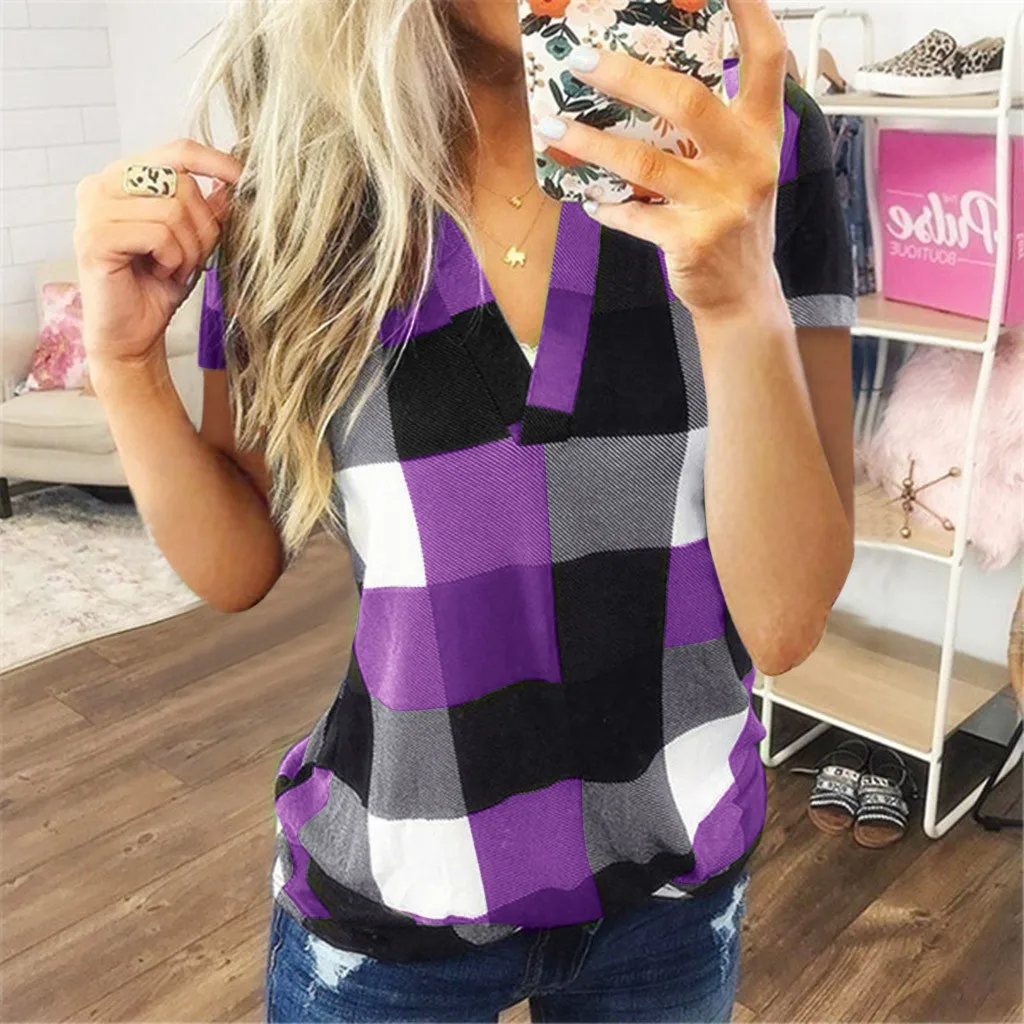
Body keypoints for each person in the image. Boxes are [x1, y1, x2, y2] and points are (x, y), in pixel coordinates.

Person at [73, 0, 856, 1020]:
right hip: (393, 893)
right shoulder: (305, 175)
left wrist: (738, 293)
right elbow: (238, 563)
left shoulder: (761, 134)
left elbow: (787, 619)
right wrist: (125, 363)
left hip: (672, 888)